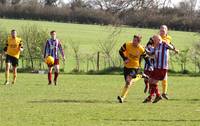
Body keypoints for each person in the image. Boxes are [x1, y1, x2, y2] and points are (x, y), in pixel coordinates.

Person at [143, 35, 179, 103]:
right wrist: (144, 49)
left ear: (157, 39)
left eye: (153, 40)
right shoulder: (156, 46)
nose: (152, 42)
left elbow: (171, 47)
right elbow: (150, 54)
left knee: (153, 82)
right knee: (150, 80)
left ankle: (156, 96)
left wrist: (175, 49)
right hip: (156, 67)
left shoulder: (164, 44)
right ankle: (155, 96)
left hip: (162, 68)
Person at [117, 34, 151, 103]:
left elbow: (146, 57)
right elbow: (120, 51)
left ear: (139, 42)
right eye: (133, 39)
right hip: (126, 67)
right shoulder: (127, 44)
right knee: (127, 83)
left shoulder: (141, 49)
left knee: (128, 81)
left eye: (135, 40)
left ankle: (122, 97)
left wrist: (150, 65)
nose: (133, 41)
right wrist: (125, 58)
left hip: (134, 67)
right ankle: (141, 75)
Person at [159, 25, 176, 99]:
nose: (162, 31)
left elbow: (167, 43)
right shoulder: (155, 37)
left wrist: (174, 49)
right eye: (161, 29)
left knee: (164, 77)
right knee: (153, 78)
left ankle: (164, 93)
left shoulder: (168, 38)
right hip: (156, 60)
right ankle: (153, 93)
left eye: (164, 30)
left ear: (166, 31)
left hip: (164, 61)